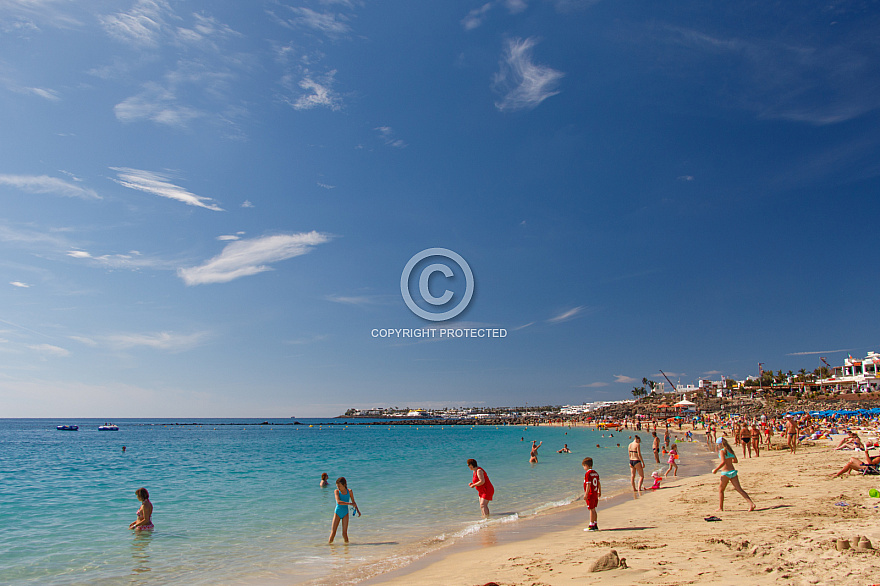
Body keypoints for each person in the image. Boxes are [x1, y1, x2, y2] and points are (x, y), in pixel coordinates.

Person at [712, 438, 755, 512]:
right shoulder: (730, 450)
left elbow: (723, 462)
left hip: (725, 473)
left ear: (720, 444)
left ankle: (720, 507)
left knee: (721, 490)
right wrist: (729, 460)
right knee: (739, 489)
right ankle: (751, 503)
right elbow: (735, 461)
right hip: (733, 471)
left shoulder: (722, 451)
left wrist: (716, 470)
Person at [328, 477, 360, 544]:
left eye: (339, 486)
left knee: (344, 533)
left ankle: (347, 548)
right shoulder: (336, 491)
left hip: (345, 513)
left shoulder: (349, 491)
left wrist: (358, 510)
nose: (338, 488)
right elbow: (339, 502)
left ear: (344, 485)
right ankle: (329, 546)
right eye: (337, 486)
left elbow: (354, 502)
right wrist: (350, 504)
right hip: (337, 513)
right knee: (333, 532)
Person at [582, 457, 601, 531]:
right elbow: (598, 483)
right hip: (595, 493)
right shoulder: (595, 473)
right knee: (594, 509)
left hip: (590, 493)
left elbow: (588, 484)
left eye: (583, 466)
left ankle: (591, 525)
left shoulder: (588, 474)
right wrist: (599, 491)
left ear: (586, 465)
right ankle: (595, 524)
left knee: (591, 509)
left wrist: (586, 494)